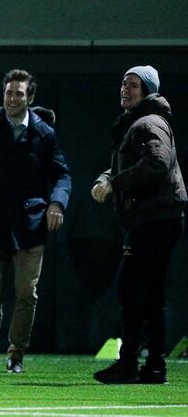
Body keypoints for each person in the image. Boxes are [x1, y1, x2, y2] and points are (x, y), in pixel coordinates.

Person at [0, 69, 71, 374]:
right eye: (8, 93)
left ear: (30, 98)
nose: (12, 98)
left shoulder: (44, 133)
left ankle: (16, 353)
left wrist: (57, 203)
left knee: (26, 293)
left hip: (31, 223)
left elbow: (61, 173)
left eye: (19, 93)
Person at [91, 65, 186, 384]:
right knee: (152, 294)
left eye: (133, 85)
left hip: (152, 219)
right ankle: (155, 365)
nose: (125, 89)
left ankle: (129, 363)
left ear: (148, 90)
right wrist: (108, 176)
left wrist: (115, 184)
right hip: (161, 218)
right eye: (123, 83)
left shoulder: (148, 122)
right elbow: (136, 162)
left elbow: (158, 163)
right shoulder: (142, 121)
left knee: (130, 289)